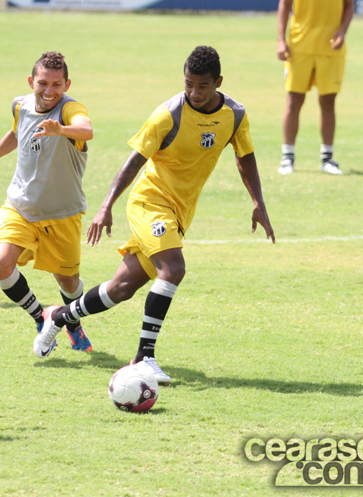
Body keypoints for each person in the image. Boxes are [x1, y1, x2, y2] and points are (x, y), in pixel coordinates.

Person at [34, 47, 276, 384]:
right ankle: (144, 357)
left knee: (121, 288)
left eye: (202, 86)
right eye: (188, 84)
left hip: (179, 213)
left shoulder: (234, 115)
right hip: (150, 202)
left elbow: (245, 155)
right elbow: (134, 161)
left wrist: (258, 202)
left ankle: (58, 317)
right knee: (173, 268)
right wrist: (106, 206)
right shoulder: (168, 115)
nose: (194, 92)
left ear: (218, 82)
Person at [0, 51, 94, 353]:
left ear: (67, 84)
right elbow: (16, 133)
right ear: (30, 81)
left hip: (62, 213)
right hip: (20, 206)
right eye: (43, 83)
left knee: (68, 281)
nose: (49, 91)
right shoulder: (20, 105)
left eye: (57, 84)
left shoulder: (70, 109)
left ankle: (72, 323)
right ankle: (42, 317)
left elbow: (86, 129)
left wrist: (60, 130)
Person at [276, 0, 355, 176]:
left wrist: (342, 31)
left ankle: (327, 158)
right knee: (294, 100)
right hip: (299, 47)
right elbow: (284, 3)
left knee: (328, 102)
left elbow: (349, 4)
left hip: (330, 49)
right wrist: (281, 40)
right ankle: (287, 158)